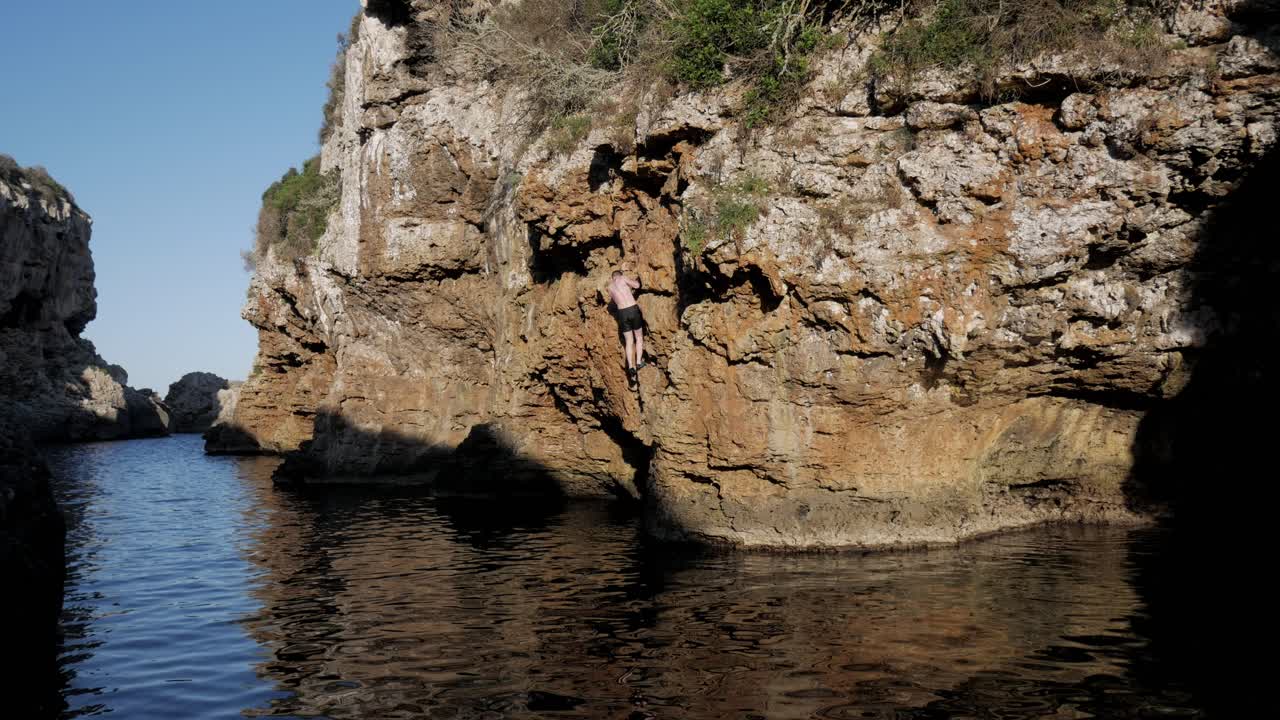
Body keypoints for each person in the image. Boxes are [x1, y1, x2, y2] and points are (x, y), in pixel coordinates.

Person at [608, 268, 646, 380]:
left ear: (612, 277)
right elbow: (637, 286)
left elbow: (615, 301)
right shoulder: (623, 278)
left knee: (629, 341)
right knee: (638, 337)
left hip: (622, 313)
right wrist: (636, 281)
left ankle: (631, 367)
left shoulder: (609, 287)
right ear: (619, 275)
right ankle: (638, 362)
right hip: (632, 309)